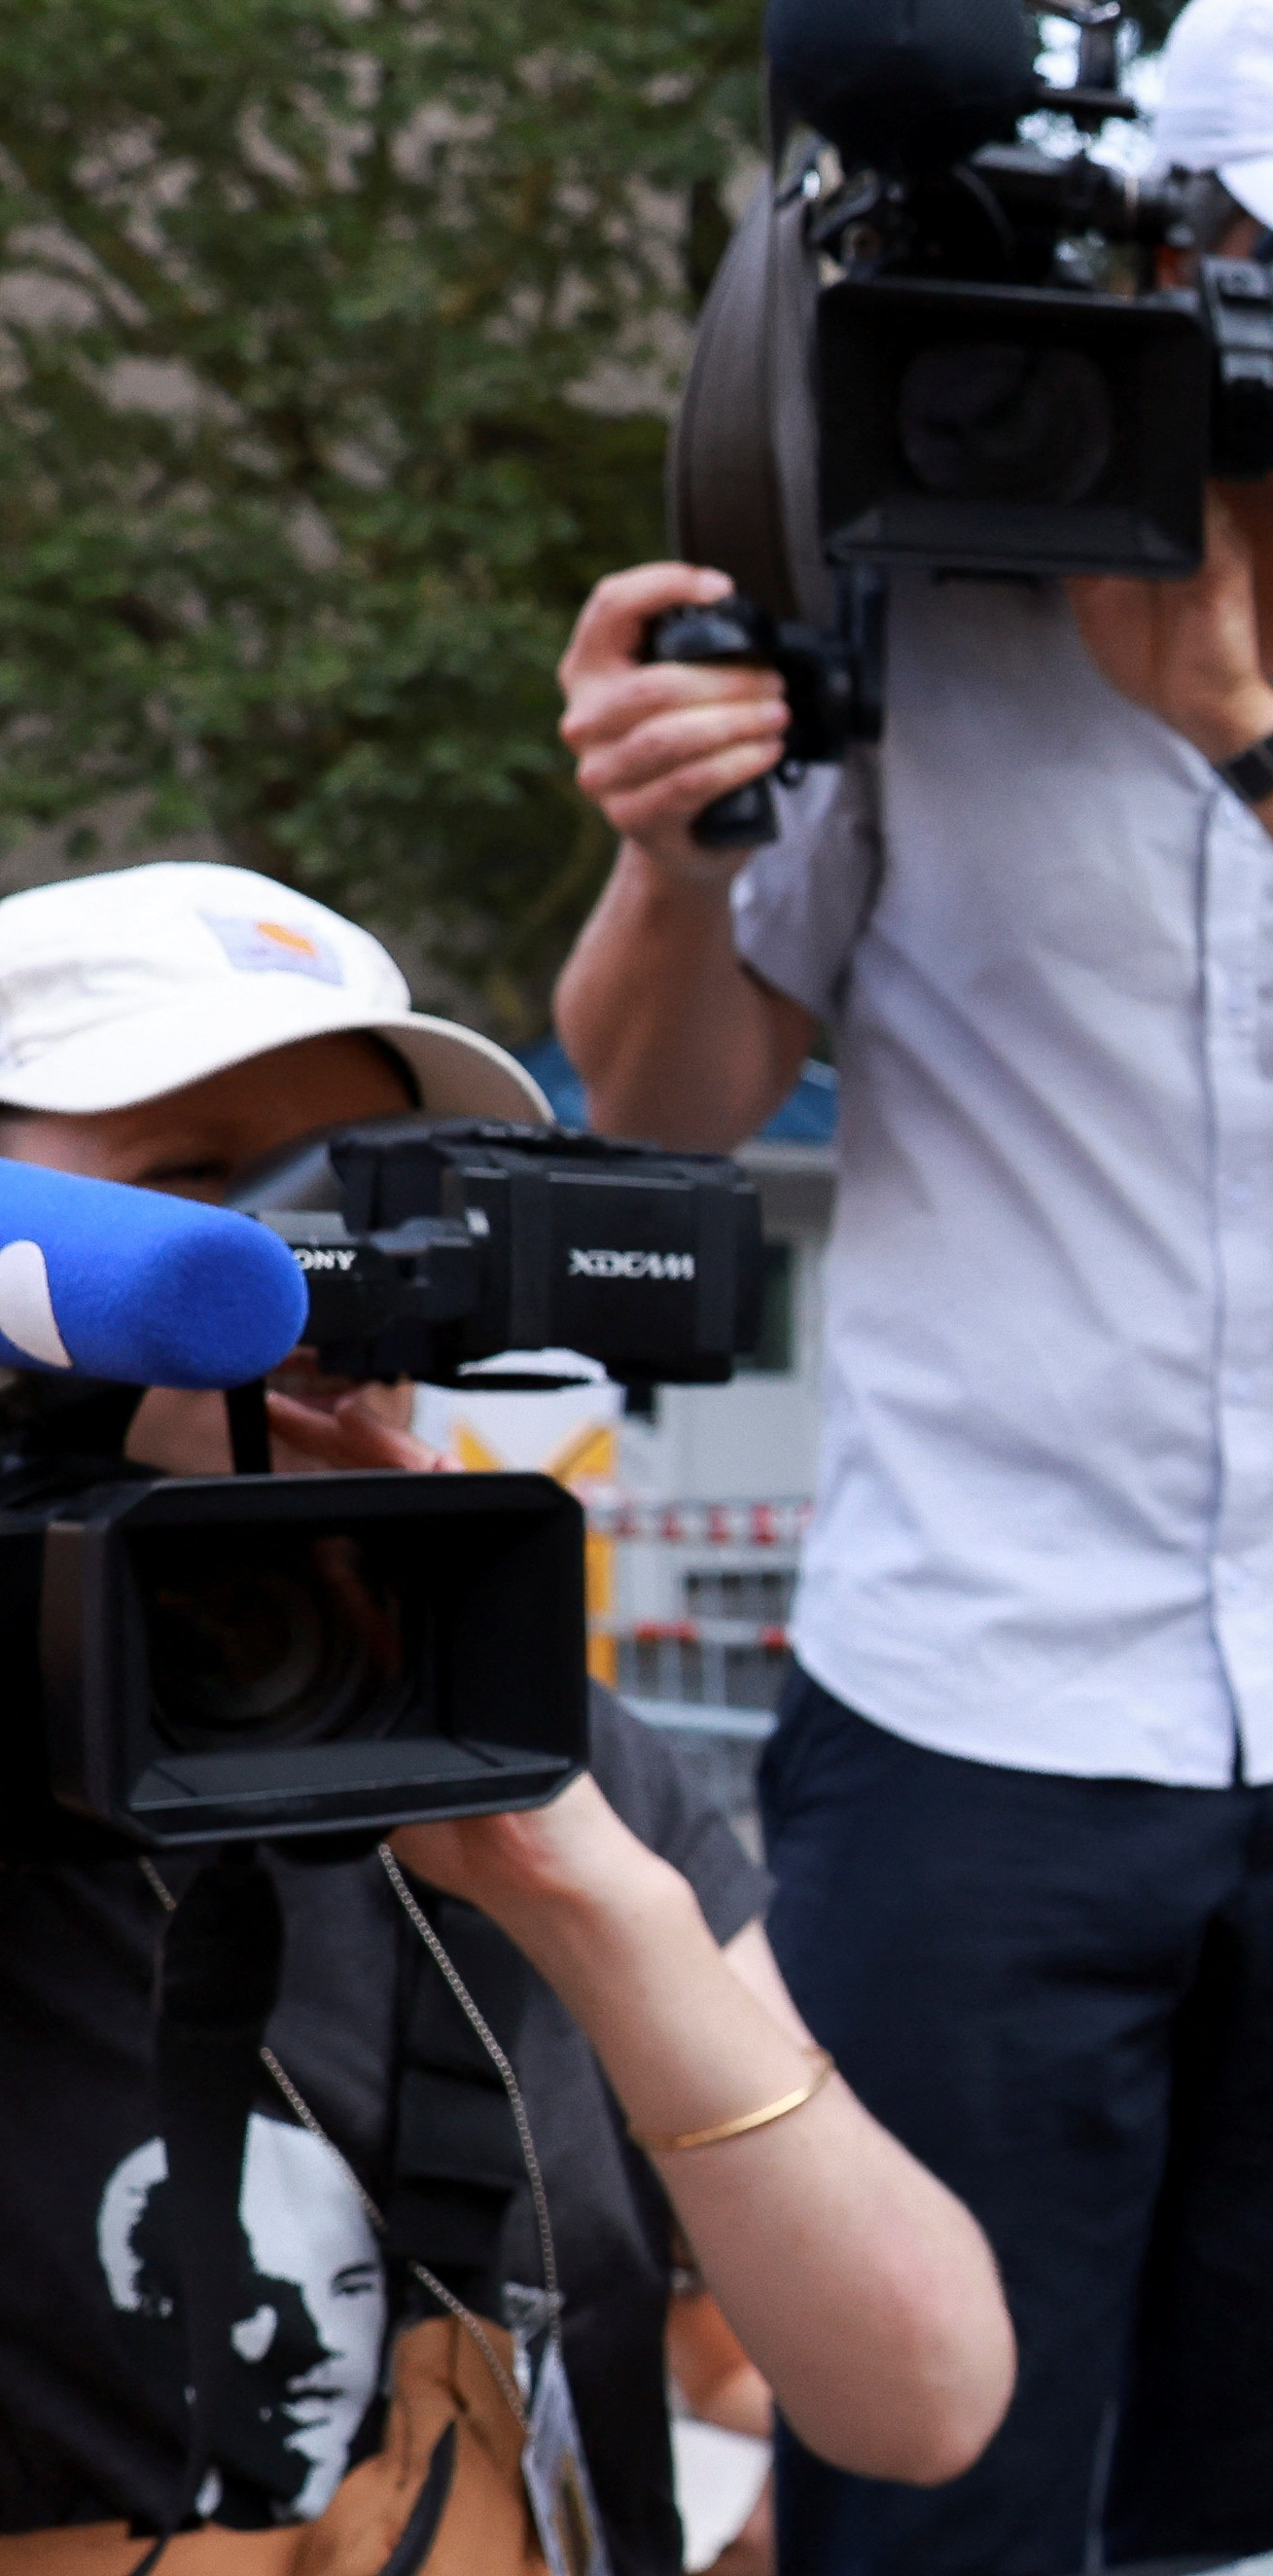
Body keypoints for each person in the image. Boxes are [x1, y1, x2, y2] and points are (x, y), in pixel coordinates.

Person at [546, 0, 1273, 2560]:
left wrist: (1245, 728)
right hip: (977, 1718)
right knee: (919, 2471)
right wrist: (665, 852)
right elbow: (668, 1101)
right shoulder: (921, 605)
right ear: (1175, 267)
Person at [0, 864, 1011, 2576]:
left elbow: (921, 2399)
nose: (318, 1278)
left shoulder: (535, 1737)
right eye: (206, 1185)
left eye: (373, 1194)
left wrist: (593, 1905)